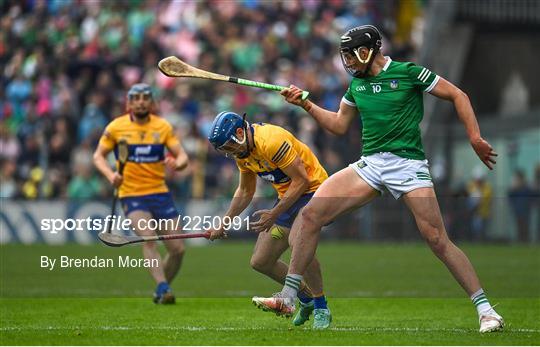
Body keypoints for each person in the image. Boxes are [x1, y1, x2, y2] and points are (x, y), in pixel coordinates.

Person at [253, 25, 503, 333]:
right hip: (371, 164)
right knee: (310, 215)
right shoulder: (356, 86)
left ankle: (486, 310)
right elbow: (338, 125)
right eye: (344, 56)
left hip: (408, 165)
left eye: (351, 55)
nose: (348, 63)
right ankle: (290, 296)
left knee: (437, 239)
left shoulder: (409, 73)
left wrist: (475, 138)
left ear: (368, 49)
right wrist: (306, 104)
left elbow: (457, 94)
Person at [207, 111, 332, 329]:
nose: (230, 152)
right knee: (261, 261)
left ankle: (321, 307)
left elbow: (302, 181)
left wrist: (274, 214)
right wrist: (223, 222)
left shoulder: (271, 141)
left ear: (240, 132)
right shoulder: (243, 153)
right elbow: (245, 190)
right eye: (224, 149)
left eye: (229, 146)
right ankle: (307, 298)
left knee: (298, 242)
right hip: (288, 197)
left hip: (314, 190)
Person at [93, 83, 189, 304]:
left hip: (160, 193)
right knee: (149, 238)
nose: (141, 102)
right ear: (128, 103)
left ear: (152, 102)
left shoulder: (163, 127)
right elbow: (98, 156)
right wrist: (110, 175)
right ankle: (163, 287)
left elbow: (183, 156)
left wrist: (177, 164)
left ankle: (161, 287)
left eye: (145, 97)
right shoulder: (116, 127)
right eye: (135, 98)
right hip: (131, 194)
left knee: (178, 249)